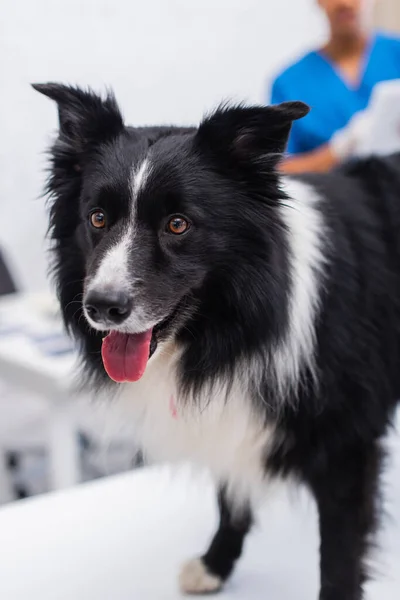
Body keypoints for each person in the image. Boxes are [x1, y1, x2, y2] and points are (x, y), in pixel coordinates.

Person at [270, 0, 400, 173]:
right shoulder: (289, 83)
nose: (345, 3)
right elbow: (279, 170)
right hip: (336, 195)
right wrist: (338, 150)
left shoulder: (394, 54)